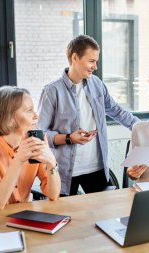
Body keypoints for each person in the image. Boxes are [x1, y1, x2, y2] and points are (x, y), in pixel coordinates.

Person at [38, 35, 139, 196]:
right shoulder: (52, 91)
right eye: (91, 61)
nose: (95, 66)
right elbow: (40, 134)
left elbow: (117, 111)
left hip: (96, 167)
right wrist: (69, 137)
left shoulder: (97, 84)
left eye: (96, 61)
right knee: (67, 218)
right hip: (65, 171)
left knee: (104, 216)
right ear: (75, 58)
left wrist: (146, 129)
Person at [0, 86, 61, 210]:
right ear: (9, 119)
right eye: (29, 110)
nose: (36, 116)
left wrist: (52, 163)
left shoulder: (36, 140)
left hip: (21, 212)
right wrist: (18, 160)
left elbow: (53, 194)